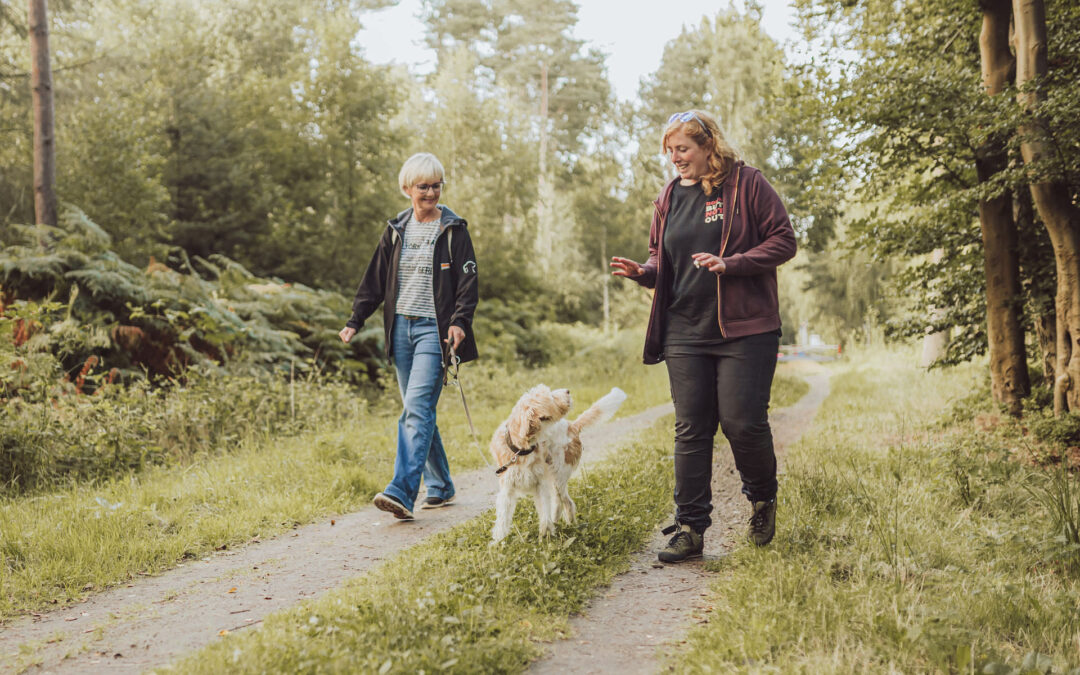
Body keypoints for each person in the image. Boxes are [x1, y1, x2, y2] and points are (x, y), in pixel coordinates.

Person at [611, 110, 796, 563]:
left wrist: (731, 263)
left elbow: (783, 240)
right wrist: (645, 272)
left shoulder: (748, 184)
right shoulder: (669, 196)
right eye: (670, 151)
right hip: (684, 328)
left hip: (744, 328)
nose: (675, 158)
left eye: (683, 149)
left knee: (740, 421)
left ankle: (762, 498)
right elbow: (661, 256)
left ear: (708, 145)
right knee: (691, 428)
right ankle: (691, 528)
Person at [339, 152, 479, 521]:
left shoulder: (454, 230)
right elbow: (374, 279)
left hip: (435, 333)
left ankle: (401, 491)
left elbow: (468, 284)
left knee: (416, 409)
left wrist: (459, 322)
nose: (430, 192)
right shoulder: (395, 229)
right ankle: (442, 485)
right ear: (407, 189)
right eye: (423, 186)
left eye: (436, 185)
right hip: (400, 328)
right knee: (419, 410)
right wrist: (356, 319)